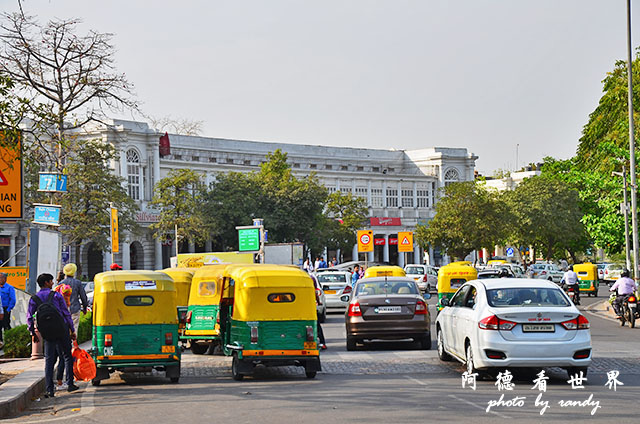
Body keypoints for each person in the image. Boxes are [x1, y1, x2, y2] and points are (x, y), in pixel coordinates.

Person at [27, 273, 78, 397]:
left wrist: (32, 332)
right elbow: (66, 313)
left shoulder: (34, 298)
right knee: (67, 356)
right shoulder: (56, 295)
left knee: (49, 360)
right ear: (46, 283)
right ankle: (70, 384)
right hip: (61, 329)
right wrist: (72, 330)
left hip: (47, 332)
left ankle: (50, 389)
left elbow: (29, 317)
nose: (52, 283)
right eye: (51, 281)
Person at [57, 263, 88, 332]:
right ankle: (72, 341)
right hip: (75, 309)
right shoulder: (78, 283)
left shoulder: (60, 284)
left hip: (63, 310)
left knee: (64, 329)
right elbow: (83, 297)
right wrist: (85, 307)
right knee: (74, 328)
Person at [0, 272, 16, 349]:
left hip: (5, 308)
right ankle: (0, 342)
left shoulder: (9, 288)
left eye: (1, 278)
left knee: (6, 325)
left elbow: (13, 299)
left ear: (5, 279)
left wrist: (9, 309)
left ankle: (9, 341)